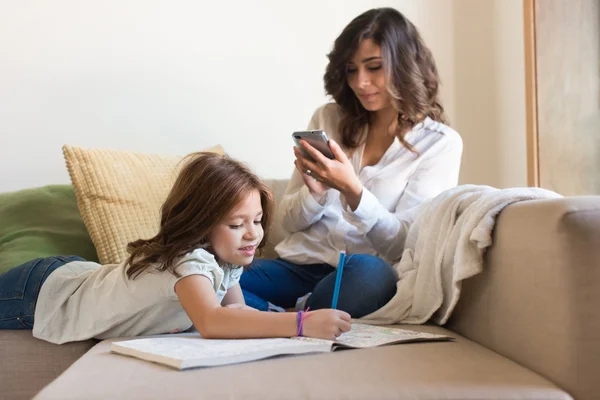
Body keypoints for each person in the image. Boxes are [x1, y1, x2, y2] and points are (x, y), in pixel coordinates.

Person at [240, 7, 463, 318]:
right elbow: (288, 223)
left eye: (374, 67)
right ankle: (291, 318)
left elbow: (403, 245)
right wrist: (316, 194)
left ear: (404, 66)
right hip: (297, 267)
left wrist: (353, 191)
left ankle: (275, 317)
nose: (361, 82)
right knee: (209, 278)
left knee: (371, 275)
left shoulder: (440, 144)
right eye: (351, 69)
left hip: (358, 274)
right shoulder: (328, 118)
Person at [0, 152, 351, 344]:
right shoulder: (188, 261)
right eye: (236, 224)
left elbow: (238, 313)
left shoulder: (226, 260)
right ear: (200, 223)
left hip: (79, 275)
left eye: (257, 221)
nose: (252, 234)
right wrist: (301, 323)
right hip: (42, 290)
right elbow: (213, 321)